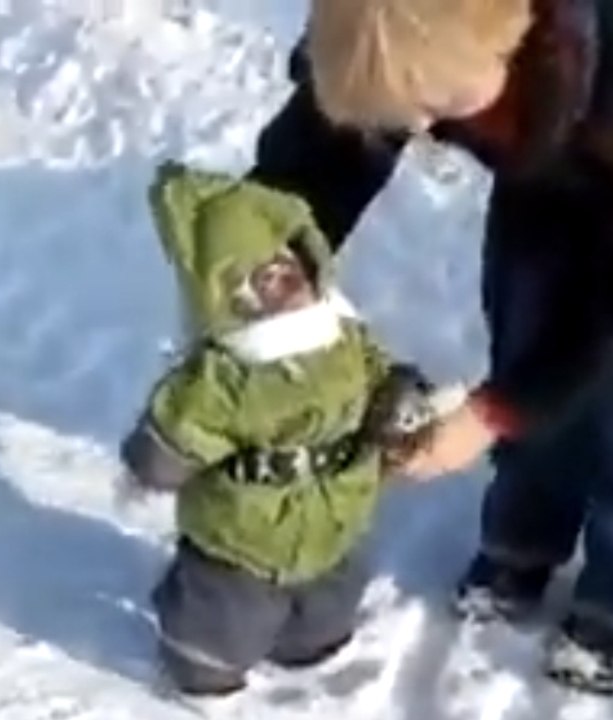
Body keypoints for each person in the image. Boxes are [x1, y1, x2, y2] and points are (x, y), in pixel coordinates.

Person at [245, 0, 613, 696]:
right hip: (556, 140)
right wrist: (271, 252)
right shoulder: (404, 29)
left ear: (510, 41)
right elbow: (337, 128)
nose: (418, 129)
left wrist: (492, 412)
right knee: (527, 316)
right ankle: (525, 533)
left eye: (436, 105)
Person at [117, 161, 458, 702]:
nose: (281, 281)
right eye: (258, 278)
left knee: (328, 605)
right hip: (244, 537)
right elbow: (178, 431)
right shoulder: (222, 377)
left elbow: (381, 371)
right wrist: (153, 462)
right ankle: (200, 667)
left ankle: (310, 647)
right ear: (220, 294)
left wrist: (400, 398)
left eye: (286, 264)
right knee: (222, 619)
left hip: (337, 517)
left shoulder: (342, 334)